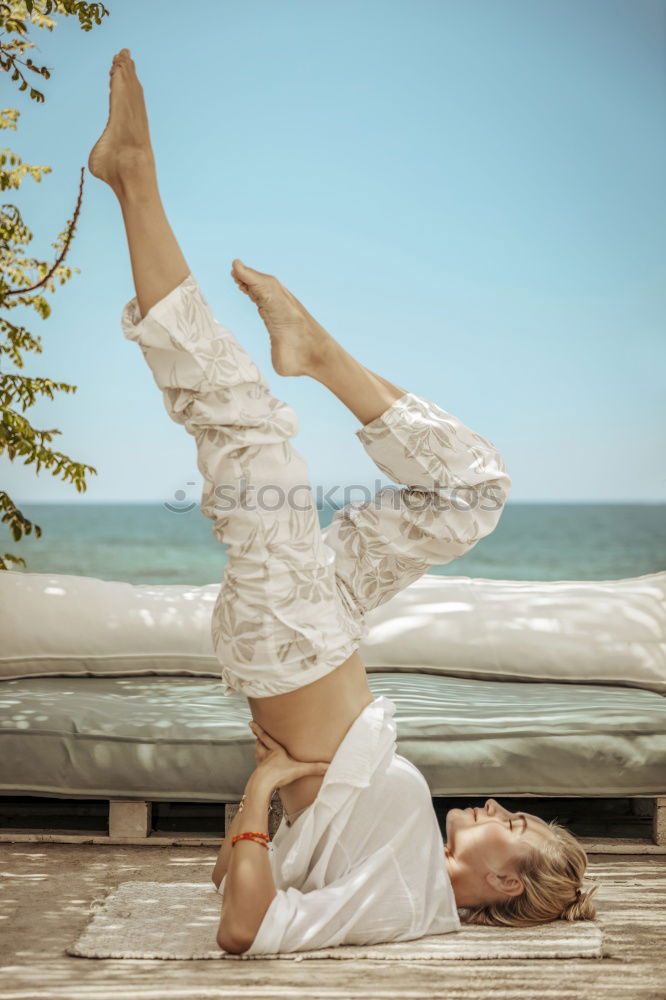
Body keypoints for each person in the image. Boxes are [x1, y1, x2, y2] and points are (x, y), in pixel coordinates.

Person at [88, 49, 597, 955]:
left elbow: (245, 928)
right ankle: (322, 356)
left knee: (241, 420)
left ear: (503, 881)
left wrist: (260, 789)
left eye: (512, 823)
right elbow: (244, 882)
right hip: (323, 627)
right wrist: (273, 814)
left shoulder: (409, 897)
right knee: (471, 493)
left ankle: (133, 181)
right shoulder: (400, 875)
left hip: (294, 641)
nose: (495, 806)